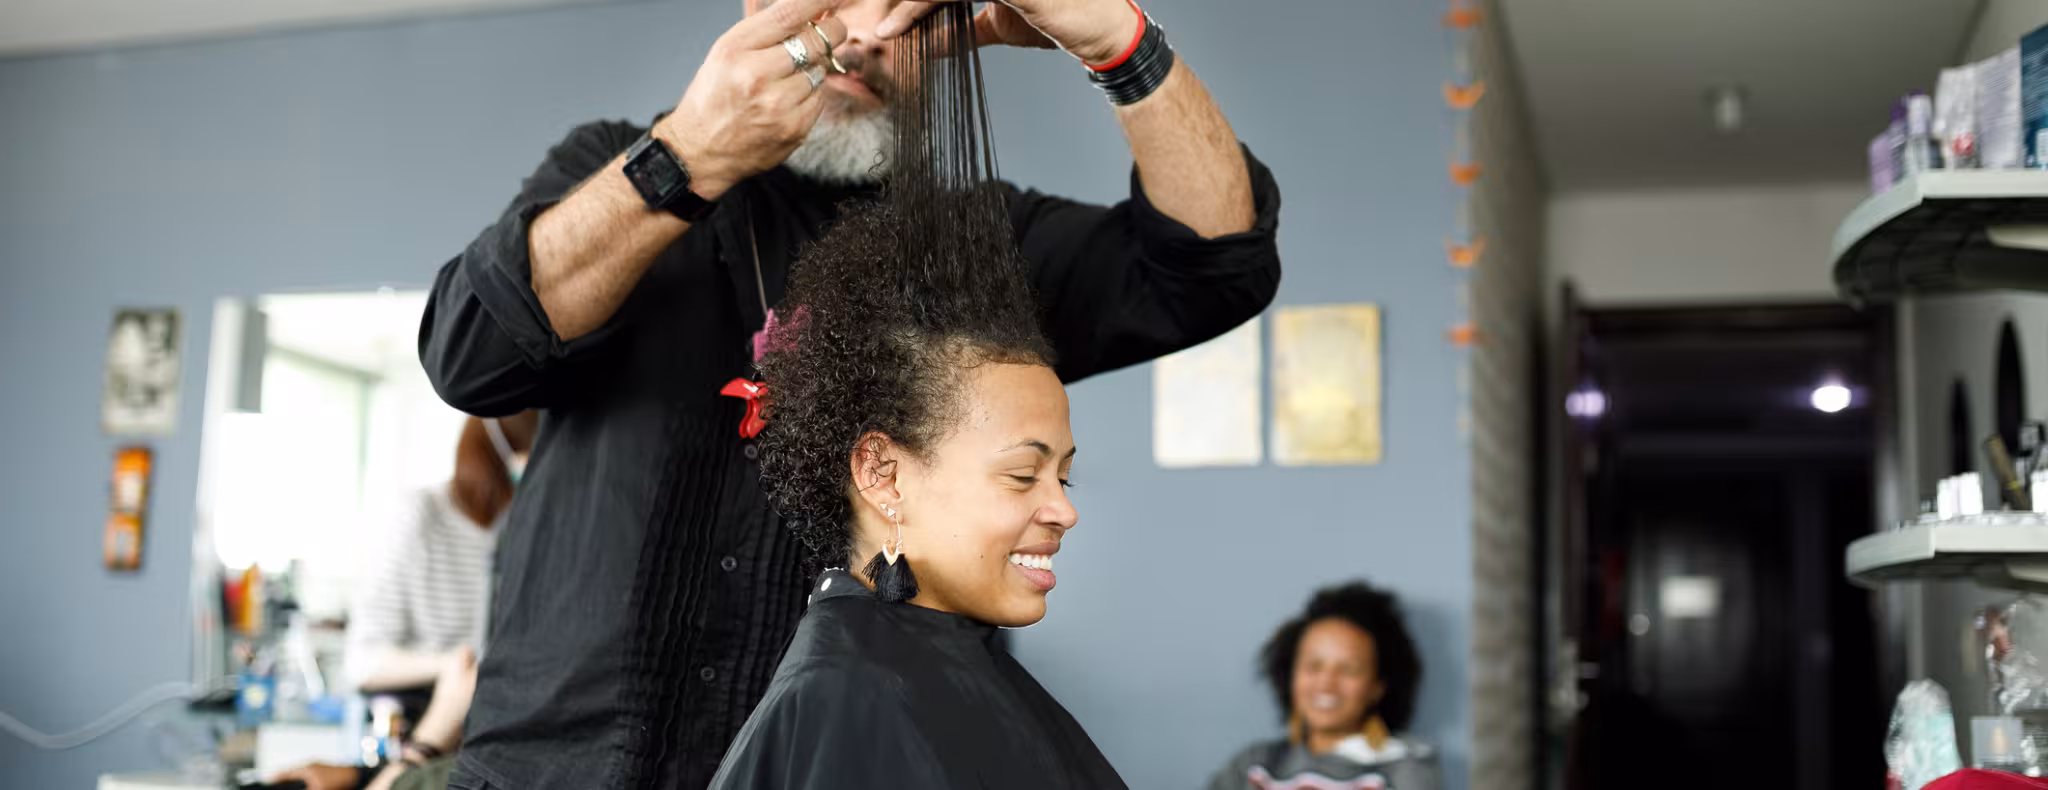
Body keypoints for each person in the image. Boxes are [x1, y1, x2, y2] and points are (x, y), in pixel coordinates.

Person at [418, 0, 1281, 785]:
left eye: (905, 12)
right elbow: (472, 355)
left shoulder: (970, 246)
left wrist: (1118, 40)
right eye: (834, 1)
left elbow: (1214, 269)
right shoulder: (611, 166)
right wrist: (687, 157)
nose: (863, 35)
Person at [708, 167, 1116, 786]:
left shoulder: (908, 676)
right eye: (1021, 474)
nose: (1064, 510)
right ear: (884, 475)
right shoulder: (846, 705)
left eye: (1064, 478)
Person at [344, 413, 536, 693]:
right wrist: (452, 666)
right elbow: (362, 662)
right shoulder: (418, 517)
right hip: (425, 699)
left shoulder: (529, 528)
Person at [1208, 582, 1441, 790]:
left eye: (1349, 669)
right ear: (1290, 675)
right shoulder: (1254, 765)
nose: (1326, 684)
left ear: (1377, 687)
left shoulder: (1404, 770)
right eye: (1314, 666)